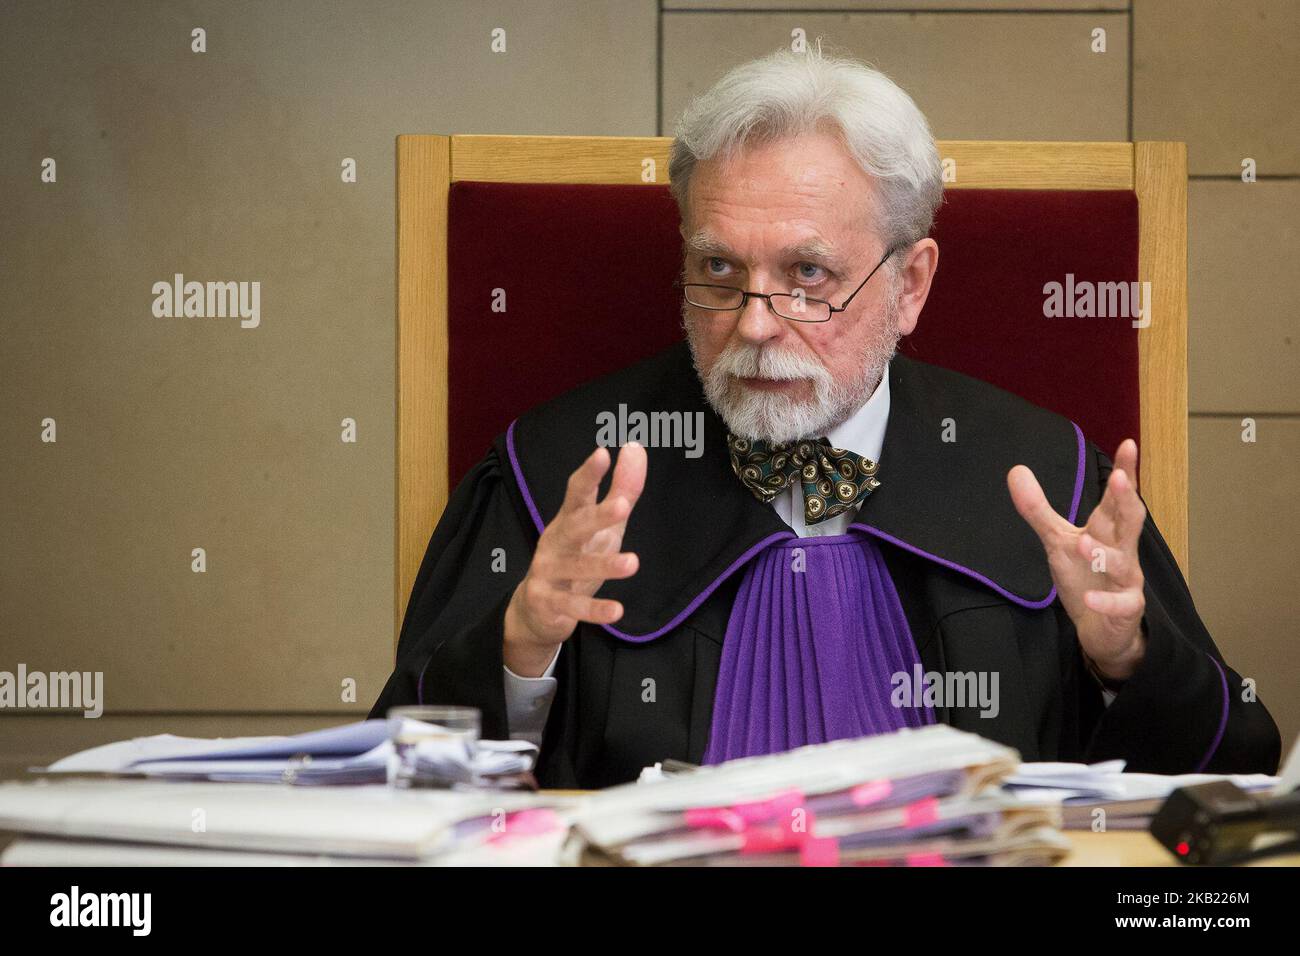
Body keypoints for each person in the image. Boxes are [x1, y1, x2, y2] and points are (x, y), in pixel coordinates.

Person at [370, 48, 1280, 789]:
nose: (755, 325)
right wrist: (521, 652)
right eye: (719, 270)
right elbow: (396, 787)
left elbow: (1233, 782)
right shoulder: (554, 478)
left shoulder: (1052, 482)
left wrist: (1128, 659)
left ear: (911, 283)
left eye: (809, 275)